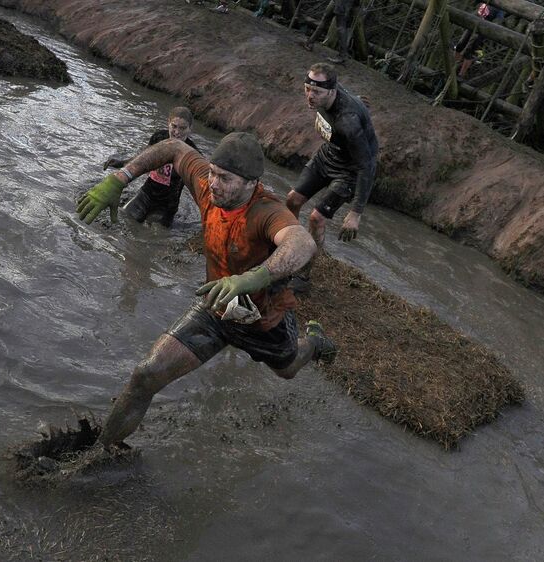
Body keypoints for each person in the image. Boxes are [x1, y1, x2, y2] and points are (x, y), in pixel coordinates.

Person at [76, 132, 337, 447]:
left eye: (225, 178)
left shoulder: (266, 210)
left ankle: (314, 340)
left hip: (263, 319)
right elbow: (174, 147)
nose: (213, 183)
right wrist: (120, 179)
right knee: (146, 374)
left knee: (289, 368)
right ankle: (102, 452)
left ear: (250, 184)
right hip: (216, 305)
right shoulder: (207, 186)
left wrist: (253, 278)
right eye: (212, 172)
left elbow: (302, 242)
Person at [285, 62, 378, 290]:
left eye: (316, 92)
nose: (310, 96)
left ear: (332, 91)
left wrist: (355, 213)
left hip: (349, 171)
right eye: (307, 88)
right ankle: (286, 246)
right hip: (328, 156)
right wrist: (359, 100)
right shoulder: (328, 89)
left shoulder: (348, 122)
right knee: (292, 200)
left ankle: (304, 273)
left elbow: (367, 166)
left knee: (316, 218)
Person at [103, 107, 200, 228]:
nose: (177, 132)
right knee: (121, 218)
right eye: (174, 126)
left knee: (153, 232)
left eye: (182, 128)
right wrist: (121, 163)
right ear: (168, 123)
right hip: (145, 195)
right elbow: (142, 160)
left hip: (167, 206)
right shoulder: (159, 137)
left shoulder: (193, 154)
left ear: (190, 128)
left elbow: (198, 187)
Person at [301, 0, 359, 64]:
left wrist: (354, 6)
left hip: (342, 4)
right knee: (328, 22)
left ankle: (342, 56)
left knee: (340, 27)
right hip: (340, 3)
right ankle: (310, 43)